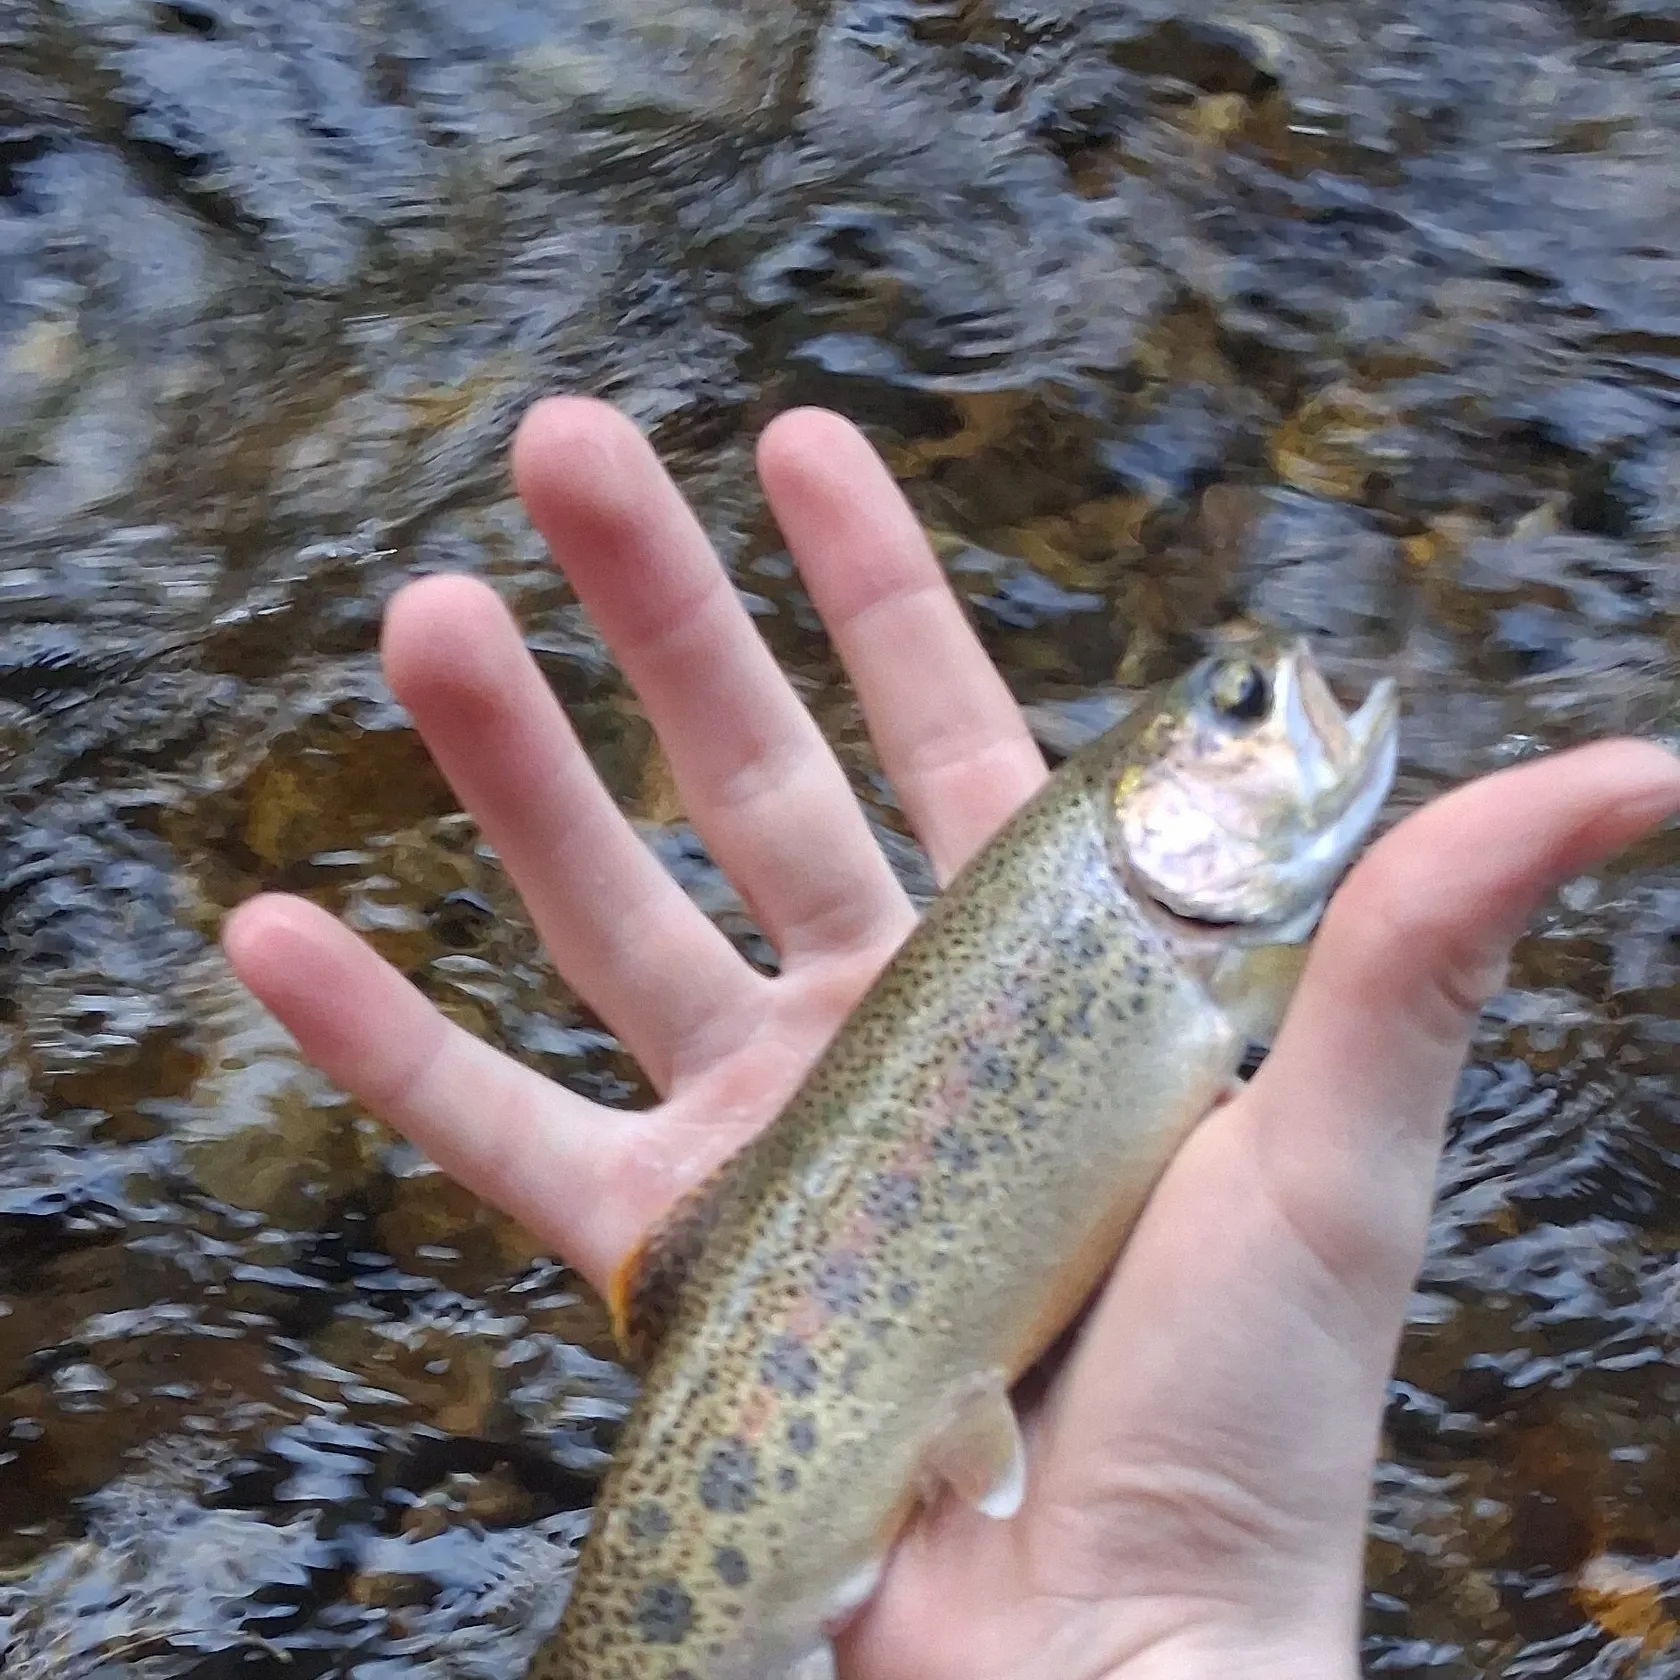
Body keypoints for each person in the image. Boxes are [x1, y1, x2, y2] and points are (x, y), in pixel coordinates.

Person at [223, 400, 1680, 1680]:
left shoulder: (1176, 940)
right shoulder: (1183, 943)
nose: (1271, 709)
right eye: (1235, 712)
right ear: (1140, 823)